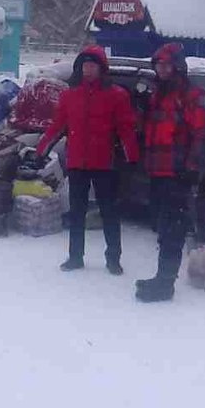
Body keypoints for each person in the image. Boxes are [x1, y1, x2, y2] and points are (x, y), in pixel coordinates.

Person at [35, 45, 139, 274]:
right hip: (77, 163)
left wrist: (132, 157)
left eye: (92, 65)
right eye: (84, 65)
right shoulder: (70, 95)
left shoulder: (117, 96)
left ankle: (113, 258)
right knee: (77, 212)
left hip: (104, 164)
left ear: (101, 69)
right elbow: (57, 125)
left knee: (109, 213)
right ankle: (75, 257)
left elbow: (126, 129)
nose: (88, 69)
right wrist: (41, 149)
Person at [136, 43, 205, 302]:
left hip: (178, 172)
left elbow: (201, 135)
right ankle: (161, 276)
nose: (162, 69)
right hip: (159, 171)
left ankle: (165, 283)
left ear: (178, 66)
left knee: (173, 229)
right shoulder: (158, 94)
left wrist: (191, 168)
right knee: (163, 226)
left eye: (167, 65)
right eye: (158, 65)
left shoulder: (192, 95)